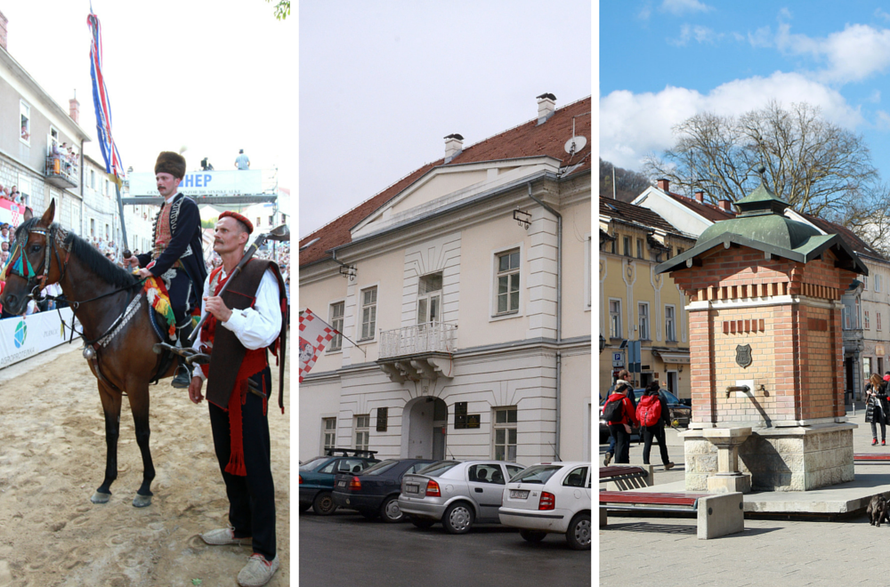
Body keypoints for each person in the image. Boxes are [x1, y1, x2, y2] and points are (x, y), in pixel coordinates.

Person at [187, 211, 286, 587]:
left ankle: (266, 552)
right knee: (227, 457)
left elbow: (267, 330)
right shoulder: (214, 276)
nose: (219, 234)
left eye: (226, 230)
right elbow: (202, 328)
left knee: (256, 465)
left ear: (244, 237)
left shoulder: (262, 274)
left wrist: (229, 314)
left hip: (249, 381)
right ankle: (240, 526)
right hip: (218, 379)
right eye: (217, 229)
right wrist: (196, 371)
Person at [125, 151, 207, 388]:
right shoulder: (163, 207)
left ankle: (185, 363)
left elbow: (178, 245)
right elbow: (159, 249)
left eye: (165, 178)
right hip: (160, 267)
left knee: (179, 306)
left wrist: (152, 270)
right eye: (158, 178)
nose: (160, 182)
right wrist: (140, 261)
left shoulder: (188, 206)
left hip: (183, 271)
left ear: (177, 180)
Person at [638, 381, 675, 469]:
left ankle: (646, 464)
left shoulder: (643, 399)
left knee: (647, 444)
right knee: (662, 444)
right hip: (658, 424)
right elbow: (665, 412)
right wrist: (668, 422)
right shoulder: (659, 398)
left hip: (646, 424)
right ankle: (666, 463)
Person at [603, 369, 635, 465]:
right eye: (629, 376)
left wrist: (608, 420)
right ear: (625, 377)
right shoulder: (627, 389)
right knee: (623, 444)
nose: (630, 378)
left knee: (615, 440)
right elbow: (630, 407)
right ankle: (622, 463)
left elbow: (606, 403)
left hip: (612, 421)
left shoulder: (611, 388)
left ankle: (610, 452)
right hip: (623, 421)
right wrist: (633, 422)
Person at [866, 373, 888, 446]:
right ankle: (874, 438)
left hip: (882, 405)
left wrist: (877, 395)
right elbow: (866, 387)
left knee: (882, 422)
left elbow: (887, 394)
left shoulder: (884, 384)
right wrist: (867, 391)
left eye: (873, 381)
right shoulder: (871, 384)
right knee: (872, 422)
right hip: (873, 405)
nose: (872, 383)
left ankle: (883, 439)